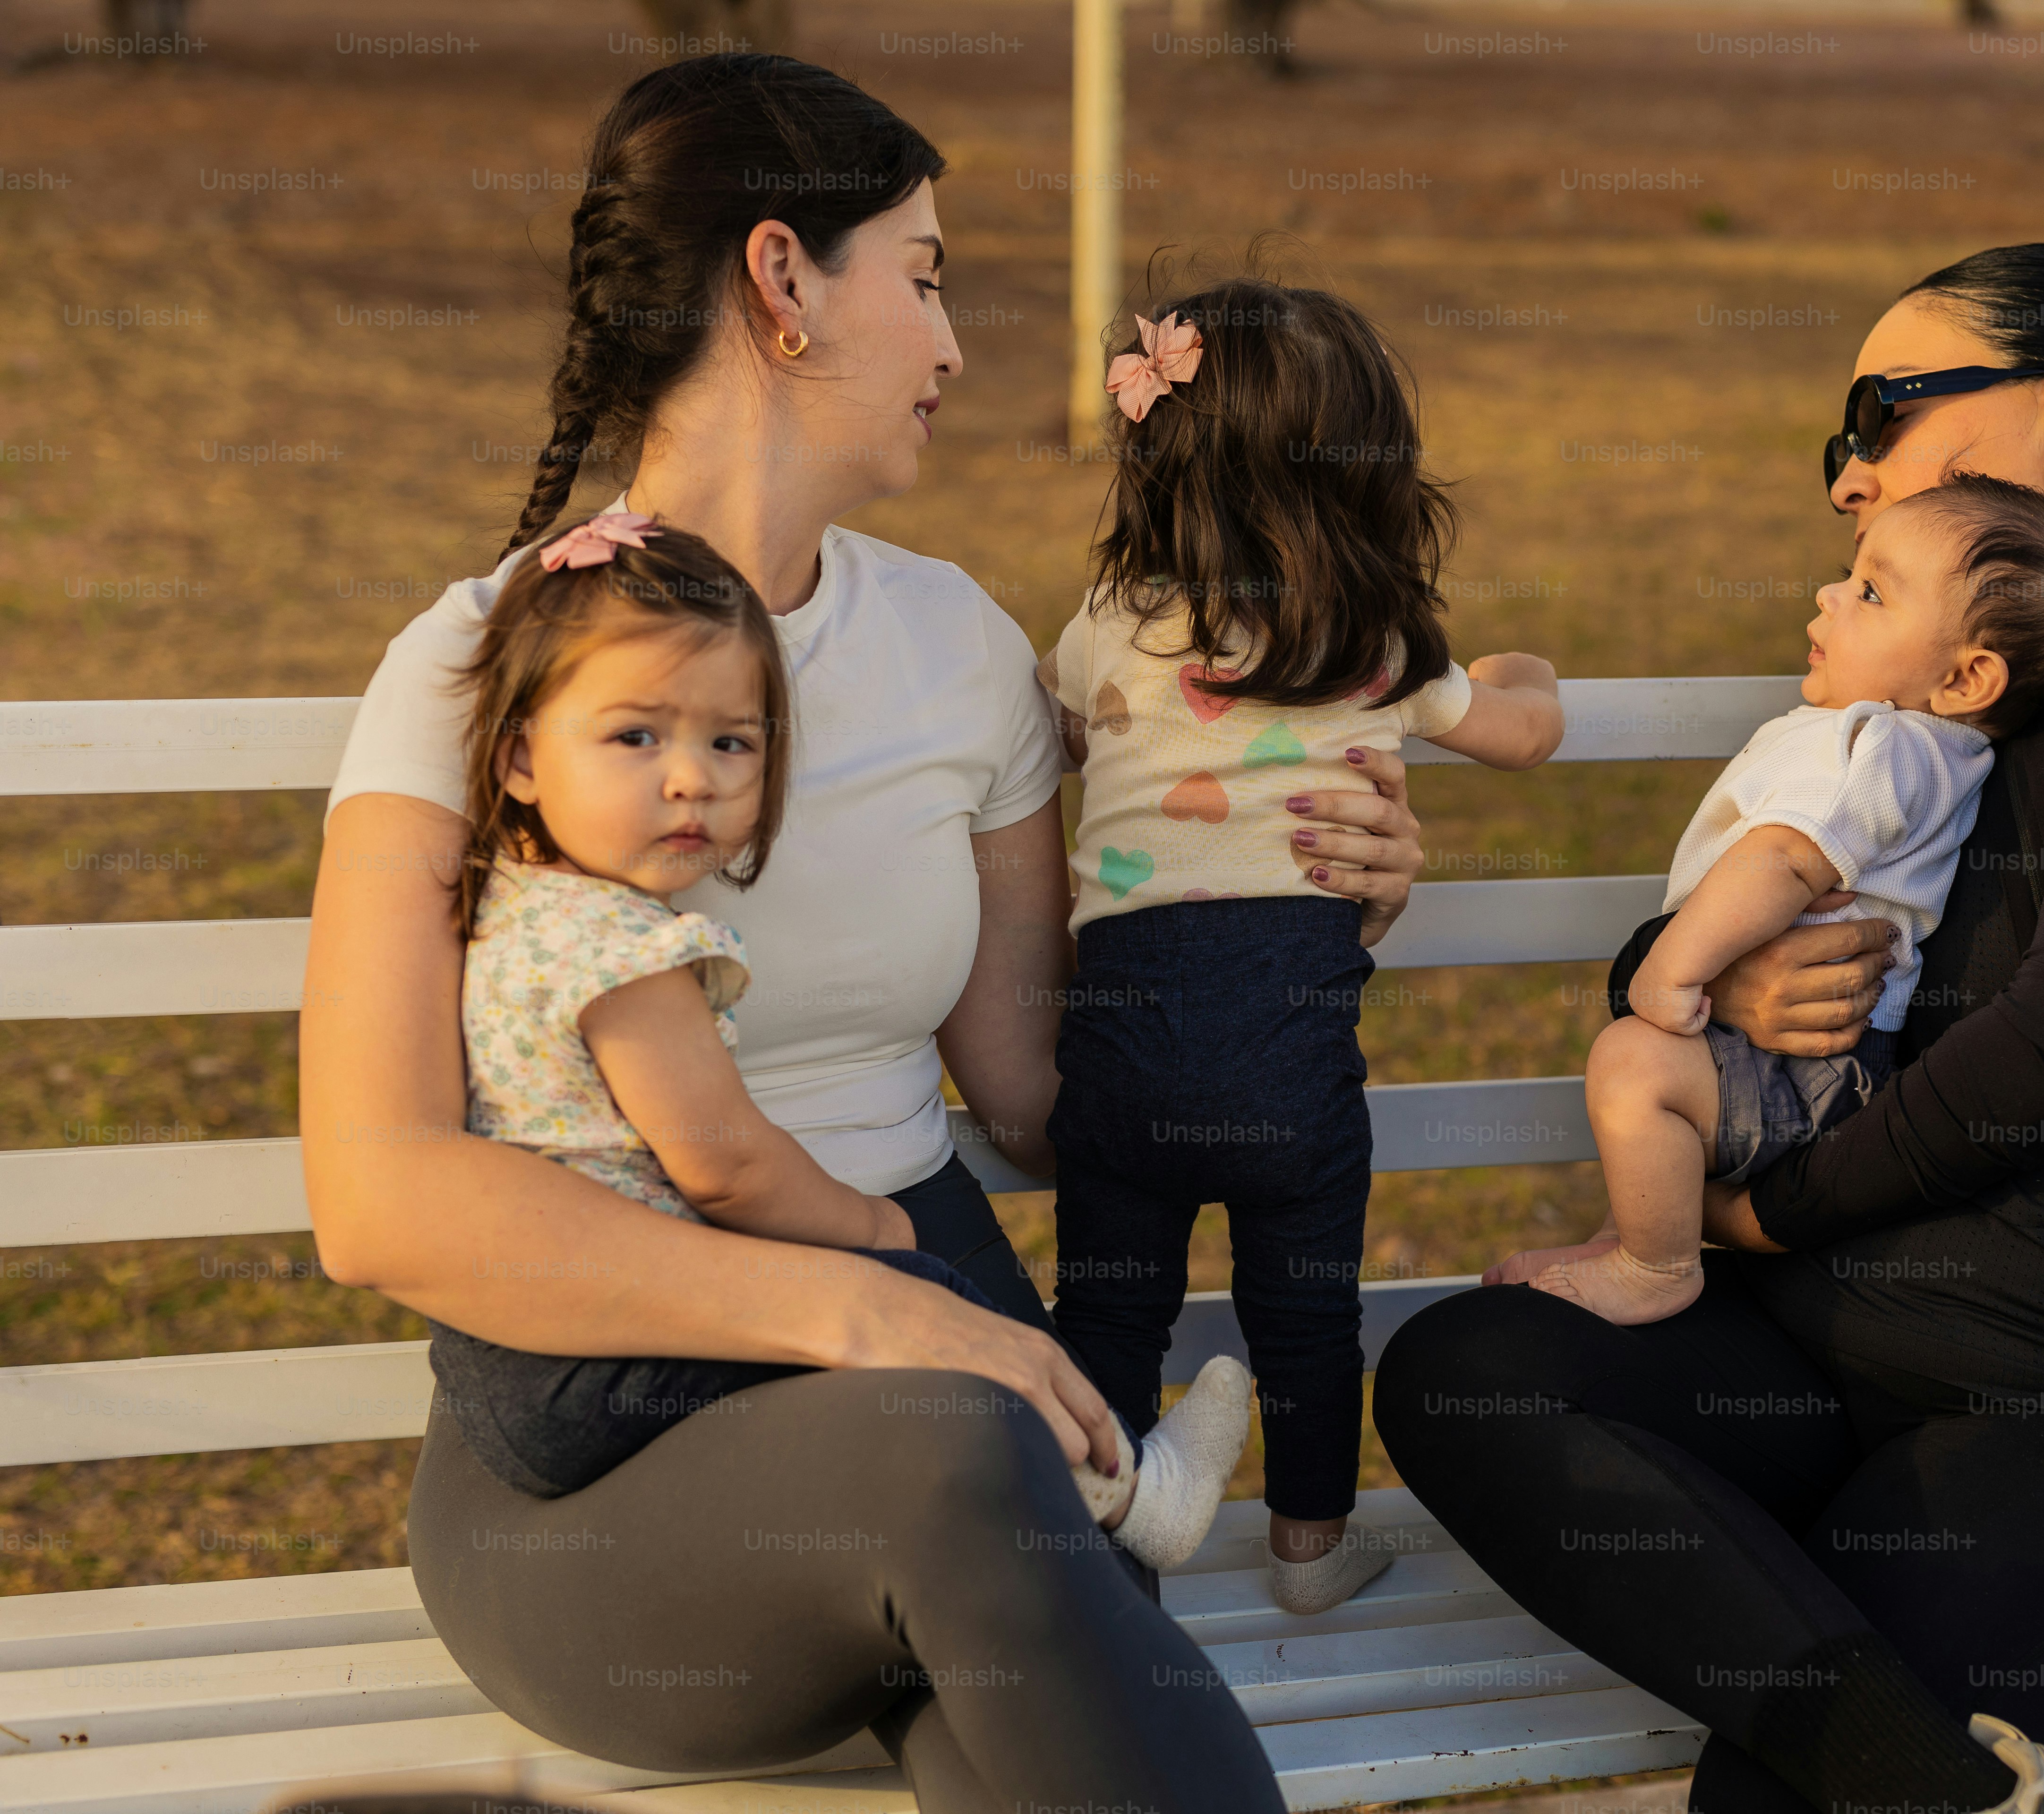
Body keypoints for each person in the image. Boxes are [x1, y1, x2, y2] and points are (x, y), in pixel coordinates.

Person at [301, 54, 1424, 1813]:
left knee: (1021, 1649)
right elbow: (379, 1199)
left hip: (954, 1409)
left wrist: (1287, 913)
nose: (956, 345)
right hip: (608, 1493)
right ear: (784, 281)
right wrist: (865, 1314)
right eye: (925, 274)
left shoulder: (959, 649)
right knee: (960, 1462)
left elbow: (1046, 1103)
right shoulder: (484, 663)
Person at [1375, 243, 2044, 1814]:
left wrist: (1762, 1212)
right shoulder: (1925, 676)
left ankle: (1915, 1773)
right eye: (1839, 443)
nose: (1850, 478)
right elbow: (1755, 888)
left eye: (1883, 415)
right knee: (1466, 1373)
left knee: (1773, 1795)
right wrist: (1710, 975)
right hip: (1828, 1360)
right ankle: (1969, 1793)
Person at [431, 508, 1251, 1567]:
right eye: (637, 737)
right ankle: (1138, 1493)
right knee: (928, 1313)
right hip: (605, 1350)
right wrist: (869, 1233)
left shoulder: (518, 909)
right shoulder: (632, 959)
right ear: (518, 759)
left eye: (730, 744)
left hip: (518, 1350)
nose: (691, 778)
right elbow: (724, 1165)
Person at [1039, 282, 1565, 1613]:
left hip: (1120, 1067)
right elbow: (1521, 734)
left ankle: (1095, 1565)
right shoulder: (1370, 641)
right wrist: (1534, 674)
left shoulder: (1111, 619)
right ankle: (1310, 1548)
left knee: (1108, 1315)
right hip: (1291, 1073)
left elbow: (1061, 734)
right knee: (1309, 1319)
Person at [1489, 475, 2044, 1327]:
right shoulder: (1917, 747)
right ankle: (1623, 1240)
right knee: (1656, 1089)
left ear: (1968, 679)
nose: (1829, 593)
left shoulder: (1883, 745)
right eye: (1850, 574)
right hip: (1810, 1056)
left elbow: (1784, 860)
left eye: (1872, 592)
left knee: (1634, 1065)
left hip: (1809, 1068)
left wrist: (1669, 971)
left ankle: (1655, 1266)